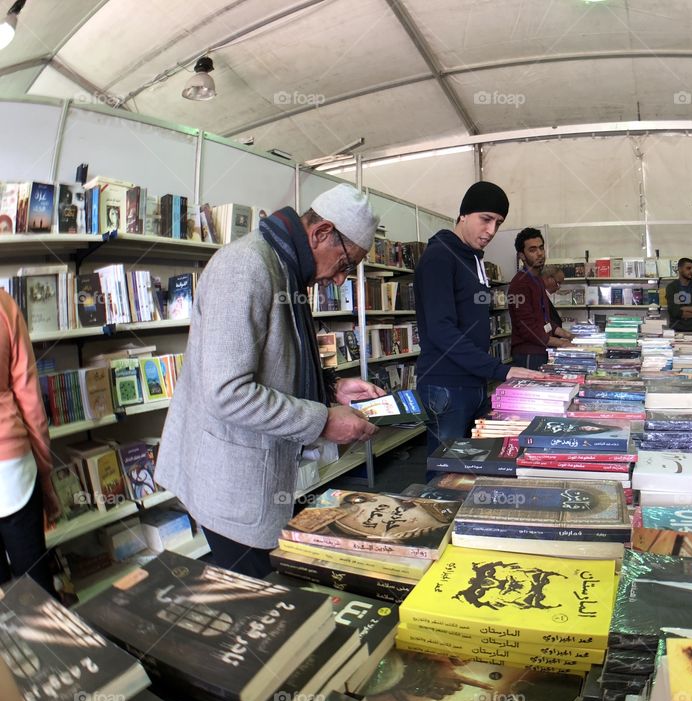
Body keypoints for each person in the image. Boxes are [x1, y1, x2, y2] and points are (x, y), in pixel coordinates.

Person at [156, 184, 386, 578]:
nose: (338, 280)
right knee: (254, 596)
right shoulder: (245, 266)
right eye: (346, 264)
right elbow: (226, 393)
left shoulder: (284, 266)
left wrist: (331, 390)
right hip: (231, 479)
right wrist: (324, 420)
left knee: (262, 590)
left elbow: (277, 361)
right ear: (320, 233)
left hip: (253, 469)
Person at [414, 183, 542, 458]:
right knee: (445, 472)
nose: (491, 231)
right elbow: (441, 329)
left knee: (472, 463)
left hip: (473, 383)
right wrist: (500, 369)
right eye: (486, 219)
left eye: (498, 223)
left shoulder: (473, 259)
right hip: (446, 384)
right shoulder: (439, 257)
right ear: (463, 214)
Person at [0, 289, 58, 594]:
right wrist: (45, 478)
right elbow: (31, 403)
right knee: (36, 590)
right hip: (12, 470)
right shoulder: (5, 305)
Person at [508, 229, 571, 369]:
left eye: (541, 248)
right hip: (529, 354)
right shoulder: (520, 284)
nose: (540, 253)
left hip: (542, 350)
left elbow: (545, 320)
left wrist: (568, 335)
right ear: (522, 256)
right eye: (532, 249)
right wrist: (562, 343)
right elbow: (527, 329)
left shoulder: (537, 280)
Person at [664, 257, 692, 333]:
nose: (691, 271)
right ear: (680, 269)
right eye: (688, 268)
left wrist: (683, 308)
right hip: (677, 329)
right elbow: (674, 312)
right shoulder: (671, 287)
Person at [541, 265, 574, 341]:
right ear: (548, 278)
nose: (559, 287)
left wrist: (566, 336)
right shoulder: (539, 297)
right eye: (558, 283)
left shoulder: (545, 297)